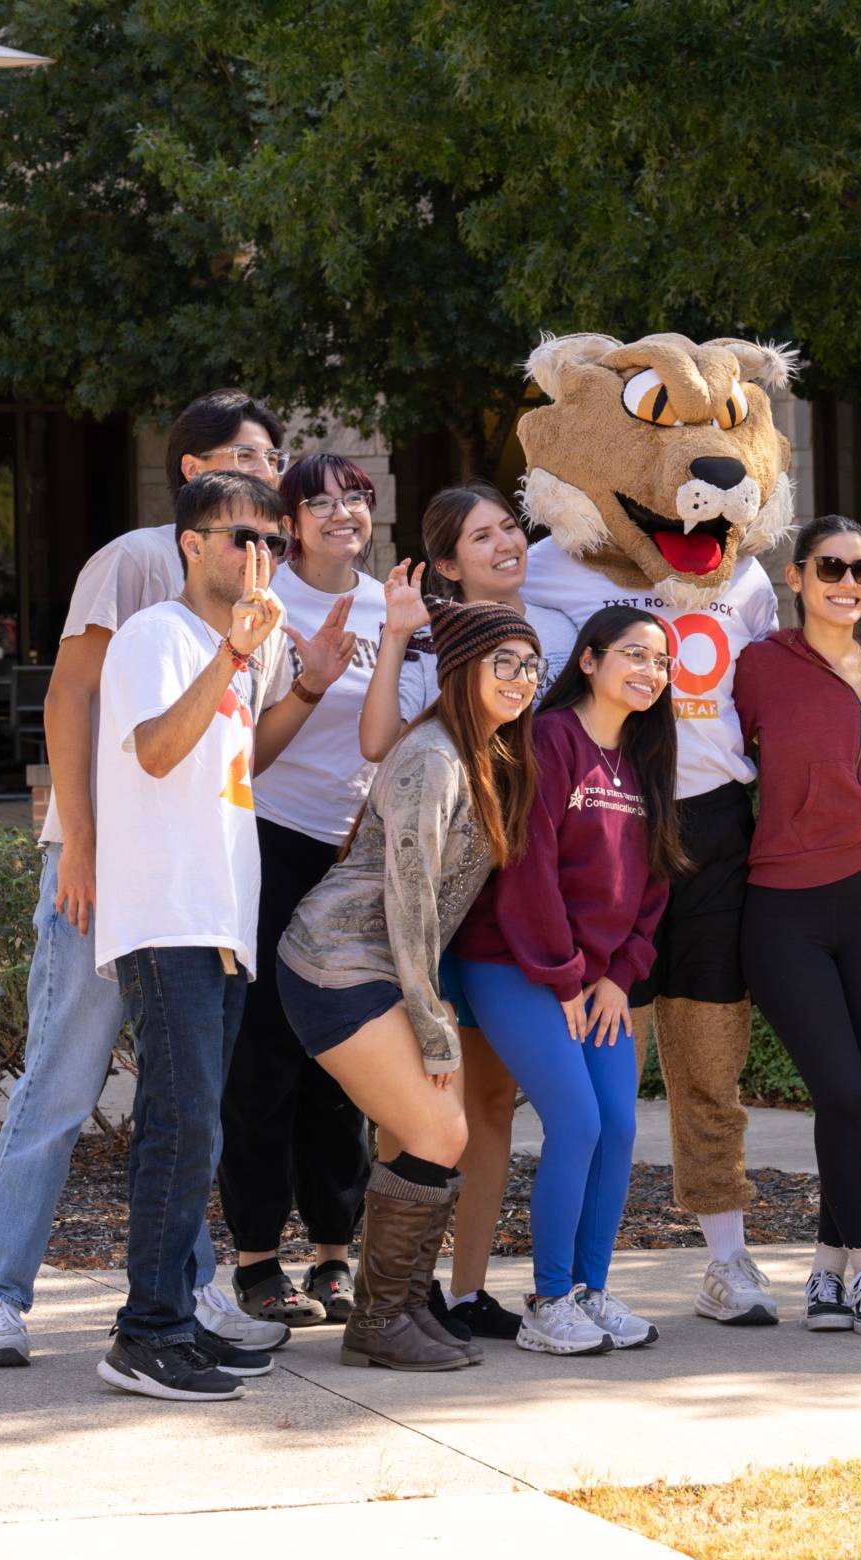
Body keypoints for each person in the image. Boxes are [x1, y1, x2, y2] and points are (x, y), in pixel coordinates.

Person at [0, 392, 297, 1370]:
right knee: (63, 1080)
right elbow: (73, 696)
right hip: (105, 868)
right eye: (244, 455)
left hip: (191, 891)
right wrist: (84, 845)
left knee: (182, 1103)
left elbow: (231, 749)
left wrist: (307, 683)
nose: (266, 470)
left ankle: (186, 1290)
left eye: (272, 458)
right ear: (191, 471)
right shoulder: (137, 563)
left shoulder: (255, 590)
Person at [88, 472, 356, 1401]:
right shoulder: (156, 636)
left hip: (217, 922)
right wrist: (232, 659)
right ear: (191, 546)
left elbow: (239, 764)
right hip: (168, 917)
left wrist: (308, 686)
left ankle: (171, 1323)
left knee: (190, 1128)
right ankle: (148, 1333)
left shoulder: (230, 653)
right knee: (180, 1128)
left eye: (268, 543)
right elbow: (157, 750)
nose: (257, 557)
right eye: (237, 538)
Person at [519, 499, 783, 1327]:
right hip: (608, 822)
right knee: (608, 1086)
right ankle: (586, 1278)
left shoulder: (741, 573)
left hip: (708, 822)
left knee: (711, 1063)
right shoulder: (556, 560)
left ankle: (725, 1257)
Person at [277, 600, 542, 1370]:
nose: (522, 680)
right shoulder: (434, 756)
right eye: (506, 664)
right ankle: (383, 1316)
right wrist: (432, 1018)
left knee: (435, 1132)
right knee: (440, 1131)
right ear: (462, 670)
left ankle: (390, 1310)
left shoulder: (482, 753)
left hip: (379, 964)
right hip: (337, 961)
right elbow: (412, 891)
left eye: (531, 666)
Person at [358, 482, 569, 1343]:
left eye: (509, 527)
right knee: (415, 1107)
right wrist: (399, 634)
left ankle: (466, 1287)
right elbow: (380, 746)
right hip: (436, 905)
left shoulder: (553, 634)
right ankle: (395, 1292)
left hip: (517, 899)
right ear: (447, 563)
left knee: (490, 1103)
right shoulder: (427, 644)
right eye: (480, 537)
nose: (504, 544)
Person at [455, 607, 680, 1357]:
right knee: (576, 1121)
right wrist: (566, 978)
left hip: (596, 981)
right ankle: (548, 1302)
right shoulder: (551, 741)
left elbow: (653, 883)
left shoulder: (647, 757)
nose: (649, 672)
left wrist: (619, 975)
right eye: (634, 655)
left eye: (661, 662)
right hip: (513, 962)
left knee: (618, 1125)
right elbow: (529, 869)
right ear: (587, 660)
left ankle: (591, 1290)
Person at [734, 517, 861, 1336]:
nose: (849, 582)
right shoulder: (759, 667)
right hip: (783, 906)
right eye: (832, 568)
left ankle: (824, 1269)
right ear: (796, 576)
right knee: (839, 1088)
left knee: (859, 1098)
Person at [217, 453, 389, 1327]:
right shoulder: (267, 608)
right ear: (290, 523)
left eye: (353, 499)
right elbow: (238, 748)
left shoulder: (402, 606)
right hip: (272, 845)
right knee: (263, 1060)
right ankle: (254, 1259)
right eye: (317, 504)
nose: (340, 515)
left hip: (361, 856)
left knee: (344, 1062)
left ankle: (332, 1252)